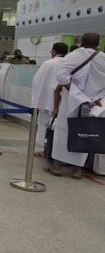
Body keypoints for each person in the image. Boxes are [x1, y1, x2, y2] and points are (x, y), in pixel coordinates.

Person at [47, 33, 101, 179]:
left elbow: (62, 77)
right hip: (91, 103)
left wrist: (76, 95)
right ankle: (77, 170)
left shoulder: (72, 56)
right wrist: (93, 98)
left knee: (63, 130)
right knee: (84, 132)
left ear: (81, 42)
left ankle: (57, 166)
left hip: (70, 101)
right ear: (98, 43)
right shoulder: (102, 59)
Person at [30, 42, 69, 157]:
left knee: (46, 125)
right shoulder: (69, 63)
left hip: (48, 101)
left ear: (54, 51)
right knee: (61, 129)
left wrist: (36, 100)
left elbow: (37, 80)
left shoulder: (49, 63)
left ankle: (47, 150)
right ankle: (58, 153)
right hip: (64, 101)